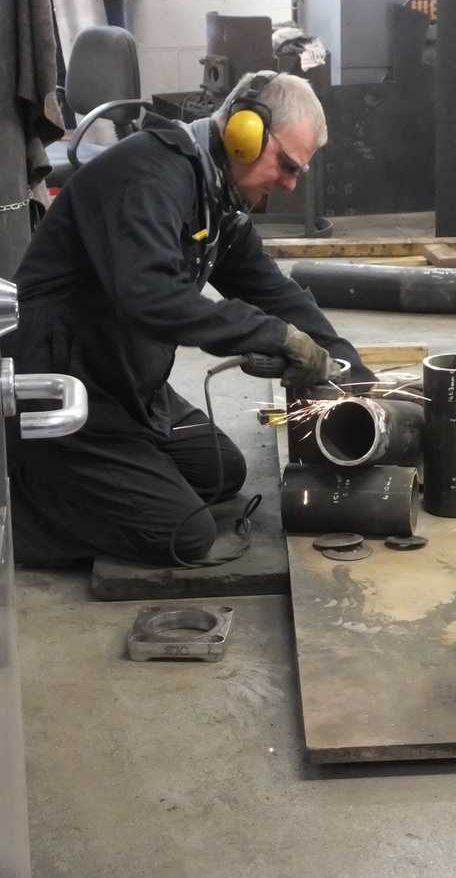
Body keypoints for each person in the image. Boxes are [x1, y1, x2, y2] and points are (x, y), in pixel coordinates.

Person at [7, 70, 376, 567]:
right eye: (286, 165)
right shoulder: (147, 176)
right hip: (68, 384)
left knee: (220, 471)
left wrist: (351, 371)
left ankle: (117, 476)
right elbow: (153, 298)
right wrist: (269, 334)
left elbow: (272, 290)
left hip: (130, 381)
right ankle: (21, 513)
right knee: (182, 533)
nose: (289, 184)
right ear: (245, 133)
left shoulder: (215, 197)